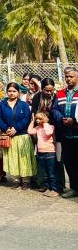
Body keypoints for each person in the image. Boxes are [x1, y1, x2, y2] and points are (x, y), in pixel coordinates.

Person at [0, 82, 36, 190]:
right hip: (9, 136)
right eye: (9, 91)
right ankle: (16, 180)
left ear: (18, 92)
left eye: (14, 91)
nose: (11, 93)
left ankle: (26, 180)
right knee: (13, 158)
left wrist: (16, 128)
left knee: (24, 158)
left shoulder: (23, 104)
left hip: (22, 135)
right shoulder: (2, 104)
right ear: (7, 92)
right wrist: (6, 128)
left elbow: (27, 118)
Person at [52, 66, 78, 199]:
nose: (68, 79)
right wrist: (61, 119)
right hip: (65, 135)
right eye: (66, 76)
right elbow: (54, 109)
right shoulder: (60, 93)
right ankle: (74, 188)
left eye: (71, 76)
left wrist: (74, 121)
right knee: (69, 162)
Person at [28, 93, 59, 197]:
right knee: (44, 173)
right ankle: (48, 188)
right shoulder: (37, 128)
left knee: (52, 173)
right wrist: (32, 121)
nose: (38, 120)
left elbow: (48, 133)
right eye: (37, 119)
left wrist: (45, 123)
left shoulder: (50, 127)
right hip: (41, 153)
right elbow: (30, 131)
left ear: (45, 119)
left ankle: (54, 189)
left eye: (39, 119)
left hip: (50, 153)